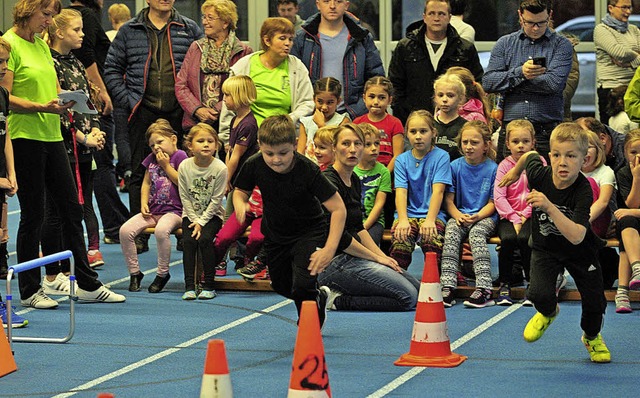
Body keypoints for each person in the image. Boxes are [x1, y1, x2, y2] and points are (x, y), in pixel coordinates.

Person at [1, 0, 125, 308]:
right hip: (24, 136)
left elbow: (54, 90)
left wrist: (73, 107)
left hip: (53, 134)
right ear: (27, 11)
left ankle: (86, 283)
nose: (48, 21)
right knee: (34, 214)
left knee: (72, 208)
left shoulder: (42, 47)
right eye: (45, 14)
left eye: (52, 15)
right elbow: (5, 97)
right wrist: (41, 106)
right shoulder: (9, 43)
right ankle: (30, 290)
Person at [499, 123, 610, 363]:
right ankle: (549, 312)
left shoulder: (584, 191)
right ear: (549, 156)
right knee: (537, 294)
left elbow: (577, 235)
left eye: (571, 156)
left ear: (584, 159)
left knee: (595, 302)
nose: (563, 162)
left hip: (580, 250)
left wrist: (548, 206)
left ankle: (591, 337)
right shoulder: (540, 174)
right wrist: (516, 171)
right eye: (557, 155)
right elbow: (529, 155)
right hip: (546, 248)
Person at [104, 0, 202, 253]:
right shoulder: (129, 30)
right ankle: (140, 232)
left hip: (180, 112)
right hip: (142, 110)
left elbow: (199, 69)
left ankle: (183, 230)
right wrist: (128, 101)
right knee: (139, 172)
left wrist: (193, 104)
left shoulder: (189, 28)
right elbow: (112, 69)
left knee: (184, 172)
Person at [232, 115, 347, 326]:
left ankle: (309, 326)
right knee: (280, 285)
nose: (276, 159)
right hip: (276, 233)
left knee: (302, 286)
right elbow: (240, 191)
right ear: (260, 146)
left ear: (295, 145)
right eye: (269, 154)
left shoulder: (308, 170)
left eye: (283, 153)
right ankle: (318, 297)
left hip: (308, 232)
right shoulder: (254, 164)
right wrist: (240, 203)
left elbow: (338, 208)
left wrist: (329, 248)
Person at [318, 123, 420, 311]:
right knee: (408, 297)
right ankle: (336, 300)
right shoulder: (327, 182)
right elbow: (341, 239)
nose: (353, 150)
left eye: (358, 144)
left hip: (353, 257)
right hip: (331, 263)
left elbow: (358, 228)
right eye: (346, 144)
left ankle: (350, 290)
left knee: (419, 290)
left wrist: (384, 258)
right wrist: (376, 258)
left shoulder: (354, 179)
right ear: (334, 147)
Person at [44, 9, 108, 274]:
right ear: (59, 32)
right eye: (77, 30)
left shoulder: (75, 62)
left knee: (82, 204)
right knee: (58, 210)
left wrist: (95, 131)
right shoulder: (51, 64)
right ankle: (55, 268)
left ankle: (80, 259)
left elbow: (87, 101)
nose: (82, 35)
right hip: (62, 146)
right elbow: (58, 108)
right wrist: (83, 138)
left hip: (83, 147)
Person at [68, 0, 131, 247]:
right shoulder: (86, 16)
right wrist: (102, 91)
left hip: (82, 100)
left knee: (95, 164)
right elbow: (87, 57)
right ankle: (114, 226)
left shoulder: (75, 16)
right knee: (101, 162)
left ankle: (114, 223)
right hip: (93, 101)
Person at [483, 0, 573, 163]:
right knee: (506, 184)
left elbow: (554, 84)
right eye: (530, 23)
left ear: (550, 16)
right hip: (511, 131)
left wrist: (513, 81)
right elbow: (489, 82)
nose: (536, 28)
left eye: (541, 23)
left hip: (546, 131)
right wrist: (521, 72)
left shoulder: (562, 45)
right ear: (520, 16)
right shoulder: (505, 43)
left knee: (546, 185)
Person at [388, 0, 483, 125]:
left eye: (441, 14)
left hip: (455, 125)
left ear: (449, 17)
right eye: (431, 13)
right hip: (413, 122)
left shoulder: (465, 48)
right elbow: (395, 85)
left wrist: (464, 115)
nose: (436, 18)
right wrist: (404, 116)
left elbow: (475, 85)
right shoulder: (405, 47)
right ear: (424, 17)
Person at [120, 119, 187, 293]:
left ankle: (162, 273)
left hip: (175, 211)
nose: (156, 147)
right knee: (125, 231)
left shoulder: (181, 157)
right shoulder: (151, 159)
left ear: (173, 139)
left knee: (161, 231)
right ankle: (135, 273)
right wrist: (143, 203)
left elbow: (182, 182)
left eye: (160, 142)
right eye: (152, 145)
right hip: (153, 211)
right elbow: (146, 183)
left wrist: (166, 165)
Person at [219, 17, 314, 137]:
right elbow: (229, 104)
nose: (288, 43)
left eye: (290, 39)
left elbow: (307, 103)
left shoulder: (297, 67)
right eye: (282, 38)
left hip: (284, 136)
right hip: (248, 138)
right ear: (267, 41)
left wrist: (289, 119)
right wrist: (225, 138)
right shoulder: (244, 66)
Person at [290, 0, 384, 120]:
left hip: (353, 116)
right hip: (312, 116)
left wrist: (356, 111)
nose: (332, 6)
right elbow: (294, 82)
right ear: (318, 4)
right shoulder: (303, 38)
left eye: (338, 1)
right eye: (326, 1)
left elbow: (376, 79)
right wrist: (307, 112)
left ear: (347, 5)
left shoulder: (361, 37)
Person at [175, 0, 252, 145]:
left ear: (225, 22)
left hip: (229, 123)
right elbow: (181, 84)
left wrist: (217, 110)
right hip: (196, 123)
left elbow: (243, 89)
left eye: (210, 18)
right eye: (204, 17)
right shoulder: (195, 48)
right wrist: (197, 109)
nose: (204, 22)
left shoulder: (243, 51)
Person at [440, 120, 498, 308]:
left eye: (474, 143)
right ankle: (448, 284)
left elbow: (492, 203)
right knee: (451, 231)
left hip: (485, 217)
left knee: (476, 234)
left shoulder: (493, 169)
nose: (468, 147)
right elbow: (449, 200)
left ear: (485, 145)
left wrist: (478, 216)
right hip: (461, 215)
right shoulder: (455, 166)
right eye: (465, 142)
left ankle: (484, 288)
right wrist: (457, 215)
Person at [390, 110, 451, 270]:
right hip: (407, 214)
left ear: (433, 132)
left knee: (431, 239)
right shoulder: (402, 160)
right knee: (401, 240)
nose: (418, 136)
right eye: (413, 131)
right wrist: (403, 220)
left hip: (432, 214)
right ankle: (398, 283)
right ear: (406, 134)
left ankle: (435, 284)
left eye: (423, 131)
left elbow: (438, 191)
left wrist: (430, 220)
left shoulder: (441, 156)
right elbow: (401, 192)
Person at [493, 120, 544, 306]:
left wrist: (525, 214)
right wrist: (514, 217)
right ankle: (505, 284)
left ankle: (532, 284)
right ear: (507, 144)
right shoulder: (504, 166)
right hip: (508, 215)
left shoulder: (539, 163)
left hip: (531, 215)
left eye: (525, 141)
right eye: (515, 142)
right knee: (507, 239)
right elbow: (499, 196)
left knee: (526, 239)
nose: (521, 146)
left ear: (533, 142)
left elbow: (540, 192)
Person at [178, 123, 227, 300]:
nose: (206, 144)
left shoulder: (220, 168)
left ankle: (209, 285)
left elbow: (216, 200)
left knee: (206, 240)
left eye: (210, 141)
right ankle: (190, 286)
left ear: (216, 145)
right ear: (190, 146)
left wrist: (201, 222)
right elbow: (184, 196)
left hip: (212, 215)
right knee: (189, 242)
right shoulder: (184, 166)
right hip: (190, 214)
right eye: (200, 141)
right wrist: (194, 219)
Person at [0, 36, 27, 328]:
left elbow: (5, 133)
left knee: (1, 241)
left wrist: (12, 171)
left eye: (6, 62)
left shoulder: (2, 95)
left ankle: (2, 306)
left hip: (3, 181)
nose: (4, 68)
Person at [581, 130, 619, 291]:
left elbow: (603, 202)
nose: (584, 152)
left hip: (597, 221)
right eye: (579, 148)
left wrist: (580, 221)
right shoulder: (571, 171)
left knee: (588, 182)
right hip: (575, 222)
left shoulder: (605, 172)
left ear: (598, 149)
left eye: (588, 147)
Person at [594, 0, 640, 124]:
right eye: (624, 8)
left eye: (630, 7)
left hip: (633, 87)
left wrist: (629, 63)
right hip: (611, 88)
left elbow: (622, 55)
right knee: (613, 133)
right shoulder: (601, 30)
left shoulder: (634, 29)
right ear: (611, 8)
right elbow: (619, 52)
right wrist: (636, 55)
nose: (628, 11)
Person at [613, 129, 640, 312]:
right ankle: (637, 268)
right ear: (625, 153)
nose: (638, 156)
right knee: (625, 222)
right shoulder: (623, 173)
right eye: (633, 152)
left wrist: (634, 212)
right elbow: (631, 203)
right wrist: (637, 178)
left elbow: (631, 208)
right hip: (633, 225)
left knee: (628, 217)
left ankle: (622, 291)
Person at [353, 77, 404, 174]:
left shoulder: (395, 123)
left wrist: (385, 175)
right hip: (361, 175)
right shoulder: (357, 122)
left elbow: (398, 155)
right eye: (371, 97)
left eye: (382, 97)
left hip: (387, 174)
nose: (376, 102)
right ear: (364, 98)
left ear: (390, 100)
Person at [214, 187, 266, 279]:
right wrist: (240, 206)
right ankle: (211, 265)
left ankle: (249, 260)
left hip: (267, 213)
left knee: (257, 237)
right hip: (248, 208)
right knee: (224, 237)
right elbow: (239, 191)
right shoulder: (251, 173)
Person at [354, 123, 391, 245]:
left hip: (374, 222)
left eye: (377, 143)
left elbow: (379, 204)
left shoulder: (383, 171)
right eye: (368, 144)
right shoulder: (350, 169)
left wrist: (364, 227)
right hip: (352, 221)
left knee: (367, 244)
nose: (374, 148)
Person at [297, 77, 350, 162]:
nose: (324, 107)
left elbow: (339, 151)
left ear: (338, 101)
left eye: (330, 102)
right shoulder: (305, 123)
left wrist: (321, 126)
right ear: (314, 99)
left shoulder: (343, 121)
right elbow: (300, 153)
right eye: (320, 101)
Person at [433, 73, 467, 161]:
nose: (444, 100)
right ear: (435, 98)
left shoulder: (465, 127)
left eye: (450, 95)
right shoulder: (429, 125)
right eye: (440, 95)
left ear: (461, 98)